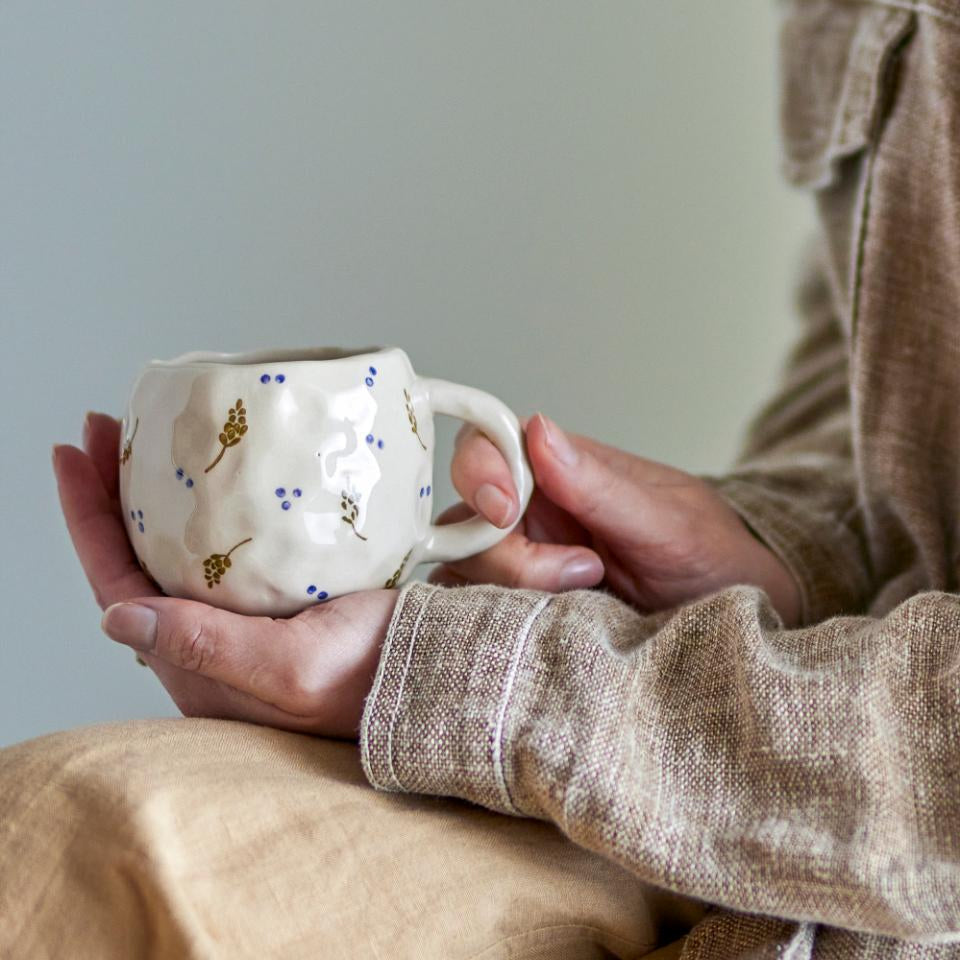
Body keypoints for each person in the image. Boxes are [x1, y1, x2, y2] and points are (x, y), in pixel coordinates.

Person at [5, 0, 960, 956]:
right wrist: (783, 558)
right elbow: (875, 360)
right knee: (72, 827)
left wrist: (468, 680)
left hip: (791, 821)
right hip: (719, 753)